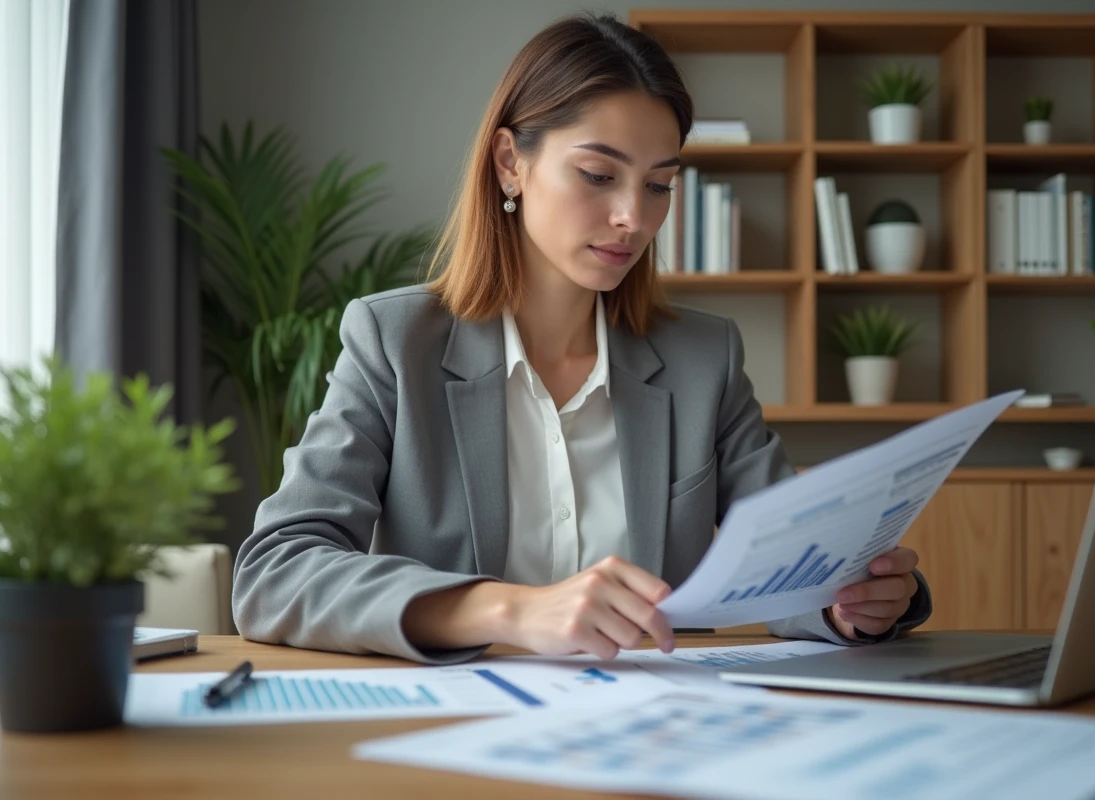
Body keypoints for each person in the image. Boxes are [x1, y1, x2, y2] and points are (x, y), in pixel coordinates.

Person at [232, 12, 931, 665]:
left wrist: (851, 604)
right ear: (511, 161)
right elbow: (275, 571)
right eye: (598, 175)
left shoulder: (702, 360)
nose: (633, 216)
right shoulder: (395, 342)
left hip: (658, 736)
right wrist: (507, 611)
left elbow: (790, 560)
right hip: (454, 733)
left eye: (659, 185)